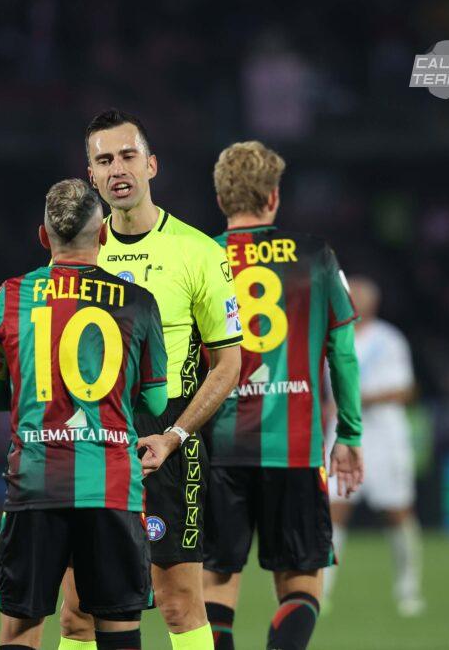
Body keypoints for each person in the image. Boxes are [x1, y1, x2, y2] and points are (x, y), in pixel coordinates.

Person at [59, 109, 243, 650]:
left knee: (180, 603)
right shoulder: (73, 254)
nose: (118, 169)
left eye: (127, 156)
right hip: (89, 442)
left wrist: (176, 435)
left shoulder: (199, 253)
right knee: (76, 614)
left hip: (166, 441)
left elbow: (227, 364)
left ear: (151, 164)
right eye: (104, 160)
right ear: (90, 175)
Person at [0, 179, 169, 650]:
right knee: (119, 630)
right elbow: (156, 403)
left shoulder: (11, 294)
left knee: (21, 629)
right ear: (103, 235)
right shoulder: (139, 301)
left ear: (44, 237)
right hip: (112, 486)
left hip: (35, 483)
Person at [201, 141, 363, 650]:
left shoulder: (198, 258)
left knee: (215, 586)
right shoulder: (316, 256)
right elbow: (344, 353)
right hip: (292, 447)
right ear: (273, 197)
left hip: (218, 449)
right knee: (300, 586)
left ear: (222, 197)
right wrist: (350, 432)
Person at [322, 276, 424, 617]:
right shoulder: (331, 336)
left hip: (385, 437)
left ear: (372, 302)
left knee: (396, 512)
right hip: (341, 434)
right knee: (334, 509)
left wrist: (357, 398)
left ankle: (408, 589)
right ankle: (322, 592)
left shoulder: (389, 340)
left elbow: (406, 390)